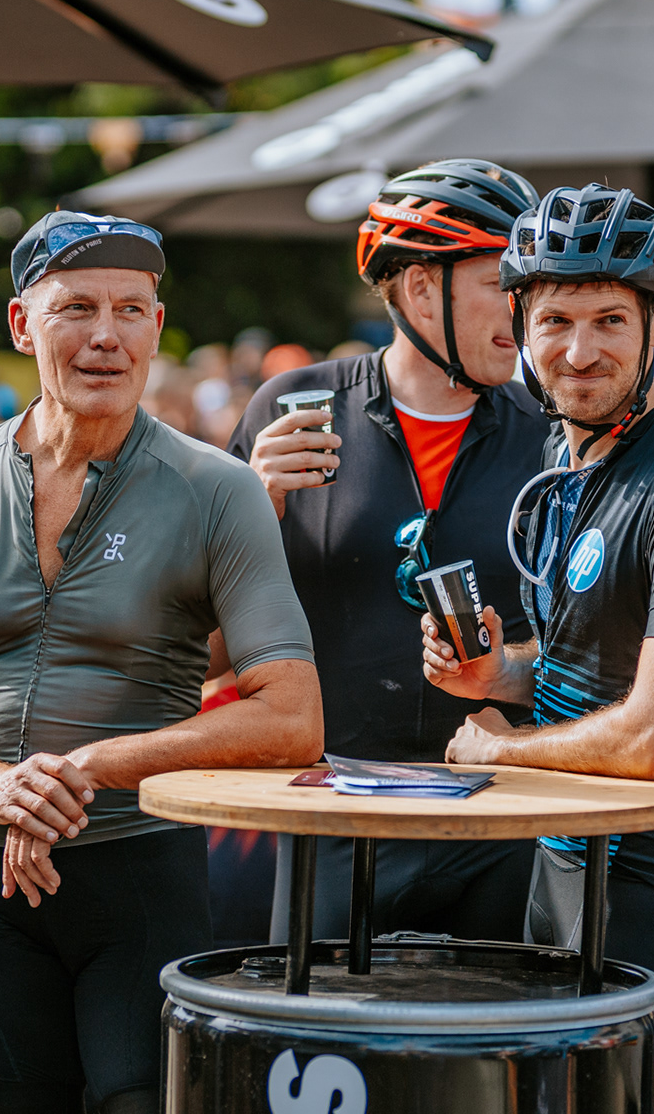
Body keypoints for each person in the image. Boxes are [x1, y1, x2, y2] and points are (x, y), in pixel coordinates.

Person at [0, 210, 321, 1114]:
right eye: (76, 308)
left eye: (131, 310)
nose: (107, 335)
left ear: (157, 326)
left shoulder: (217, 490)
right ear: (22, 325)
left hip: (140, 871)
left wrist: (95, 765)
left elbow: (293, 716)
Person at [420, 183, 654, 1089]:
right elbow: (590, 669)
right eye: (556, 322)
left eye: (610, 320)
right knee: (551, 1094)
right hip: (568, 848)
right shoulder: (565, 451)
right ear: (521, 326)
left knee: (598, 1096)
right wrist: (500, 673)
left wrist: (501, 754)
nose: (579, 353)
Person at [228, 158, 548, 944]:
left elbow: (593, 646)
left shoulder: (550, 435)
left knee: (499, 1022)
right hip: (334, 811)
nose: (526, 309)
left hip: (505, 816)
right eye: (502, 284)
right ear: (420, 289)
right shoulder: (293, 407)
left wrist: (511, 668)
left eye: (530, 285)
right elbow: (199, 645)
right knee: (317, 1021)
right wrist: (250, 512)